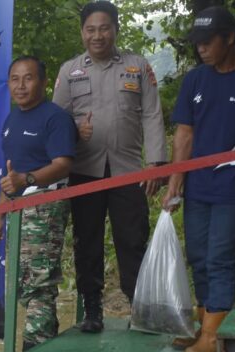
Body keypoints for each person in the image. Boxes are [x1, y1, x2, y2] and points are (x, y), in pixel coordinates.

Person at [52, 0, 167, 333]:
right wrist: (75, 130)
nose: (97, 35)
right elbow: (56, 121)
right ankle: (92, 309)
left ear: (115, 29)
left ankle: (139, 308)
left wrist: (156, 163)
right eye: (91, 29)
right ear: (82, 32)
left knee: (132, 239)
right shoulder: (69, 70)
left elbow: (152, 114)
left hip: (129, 169)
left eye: (104, 28)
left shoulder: (137, 66)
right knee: (86, 241)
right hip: (84, 171)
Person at [162, 6, 235, 352]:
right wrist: (174, 180)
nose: (201, 48)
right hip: (197, 186)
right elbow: (184, 133)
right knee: (197, 255)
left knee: (218, 256)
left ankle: (215, 338)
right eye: (196, 42)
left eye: (207, 41)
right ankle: (204, 324)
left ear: (229, 38)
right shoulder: (195, 79)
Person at [0, 56, 77, 350]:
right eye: (15, 78)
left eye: (28, 78)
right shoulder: (12, 118)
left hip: (44, 205)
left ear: (44, 82)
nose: (21, 85)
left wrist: (27, 180)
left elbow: (63, 164)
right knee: (24, 282)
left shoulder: (55, 117)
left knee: (39, 282)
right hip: (16, 209)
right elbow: (9, 173)